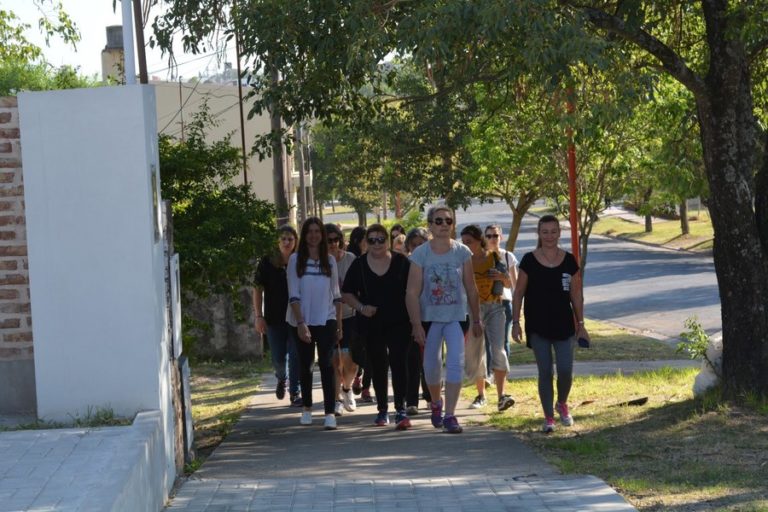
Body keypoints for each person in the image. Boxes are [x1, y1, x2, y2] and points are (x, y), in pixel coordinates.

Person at [406, 206, 482, 434]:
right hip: (429, 320)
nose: (443, 225)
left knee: (456, 364)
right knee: (431, 366)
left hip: (456, 318)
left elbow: (471, 287)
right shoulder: (421, 254)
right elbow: (411, 292)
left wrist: (477, 319)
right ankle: (436, 403)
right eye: (438, 221)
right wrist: (416, 324)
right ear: (430, 224)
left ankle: (450, 415)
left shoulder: (462, 253)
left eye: (448, 221)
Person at [512, 215, 590, 433]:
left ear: (559, 233)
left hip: (564, 325)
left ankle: (562, 403)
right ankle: (548, 418)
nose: (549, 236)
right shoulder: (528, 259)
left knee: (565, 370)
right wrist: (516, 322)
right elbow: (518, 293)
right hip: (537, 326)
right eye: (544, 232)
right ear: (539, 233)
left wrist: (581, 323)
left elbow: (576, 295)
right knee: (545, 372)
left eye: (553, 231)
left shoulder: (569, 260)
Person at [343, 224, 413, 430]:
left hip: (400, 321)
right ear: (366, 242)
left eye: (380, 239)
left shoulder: (401, 262)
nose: (376, 244)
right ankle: (382, 409)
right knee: (378, 364)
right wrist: (361, 307)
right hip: (371, 322)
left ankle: (401, 409)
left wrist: (417, 321)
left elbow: (414, 290)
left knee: (399, 363)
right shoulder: (359, 265)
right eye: (371, 240)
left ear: (388, 241)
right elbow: (346, 293)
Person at [287, 217, 343, 430]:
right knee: (306, 364)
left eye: (317, 231)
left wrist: (339, 324)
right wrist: (301, 323)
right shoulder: (295, 260)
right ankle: (307, 408)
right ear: (304, 234)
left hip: (326, 318)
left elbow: (336, 294)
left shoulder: (329, 260)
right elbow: (293, 294)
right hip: (301, 320)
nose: (313, 235)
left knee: (327, 365)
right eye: (309, 231)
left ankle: (329, 413)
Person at [460, 224, 515, 412]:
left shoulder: (494, 257)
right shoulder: (463, 261)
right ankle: (481, 395)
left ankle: (502, 396)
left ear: (478, 241)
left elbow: (508, 282)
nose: (466, 245)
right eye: (464, 242)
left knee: (498, 349)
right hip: (472, 309)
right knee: (475, 352)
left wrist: (500, 276)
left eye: (469, 242)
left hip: (495, 307)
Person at [253, 225, 302, 407]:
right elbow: (257, 289)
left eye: (290, 239)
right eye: (283, 239)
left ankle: (295, 392)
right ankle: (282, 378)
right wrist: (258, 316)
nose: (287, 242)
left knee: (296, 354)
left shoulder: (300, 261)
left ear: (296, 241)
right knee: (278, 358)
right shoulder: (267, 262)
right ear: (277, 242)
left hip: (297, 317)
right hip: (274, 318)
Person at [325, 224, 358, 417]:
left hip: (350, 315)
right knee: (334, 360)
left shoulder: (350, 259)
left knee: (350, 361)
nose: (332, 244)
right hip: (328, 317)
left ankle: (347, 389)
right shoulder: (320, 262)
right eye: (328, 240)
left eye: (336, 239)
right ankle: (337, 399)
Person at [403, 227, 432, 414]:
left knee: (431, 359)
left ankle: (431, 397)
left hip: (432, 315)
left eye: (421, 244)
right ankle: (411, 400)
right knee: (412, 359)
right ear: (408, 247)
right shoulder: (405, 264)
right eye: (414, 245)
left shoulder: (434, 263)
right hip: (410, 318)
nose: (418, 248)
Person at [484, 224, 519, 358]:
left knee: (503, 342)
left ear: (501, 237)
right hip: (485, 303)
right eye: (489, 236)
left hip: (504, 303)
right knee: (486, 342)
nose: (492, 238)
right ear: (484, 238)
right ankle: (489, 375)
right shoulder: (480, 257)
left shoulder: (508, 256)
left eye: (495, 235)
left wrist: (502, 278)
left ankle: (502, 375)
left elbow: (514, 285)